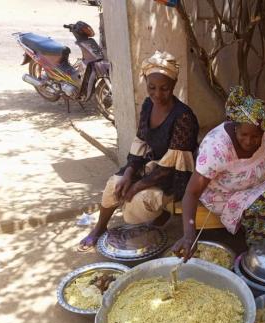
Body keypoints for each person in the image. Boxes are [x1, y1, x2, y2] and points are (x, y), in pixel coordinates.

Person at [78, 50, 199, 251]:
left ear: (174, 86)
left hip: (173, 175)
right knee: (114, 185)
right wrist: (128, 174)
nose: (157, 94)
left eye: (164, 88)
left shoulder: (183, 117)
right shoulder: (148, 105)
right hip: (149, 167)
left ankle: (157, 219)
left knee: (139, 200)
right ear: (146, 84)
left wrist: (137, 186)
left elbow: (172, 165)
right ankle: (100, 227)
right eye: (152, 87)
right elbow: (140, 141)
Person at [172, 86, 265, 257]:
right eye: (244, 134)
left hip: (261, 183)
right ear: (235, 127)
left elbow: (259, 159)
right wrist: (189, 235)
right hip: (227, 195)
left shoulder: (260, 129)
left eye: (255, 137)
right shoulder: (216, 148)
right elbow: (191, 193)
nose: (249, 141)